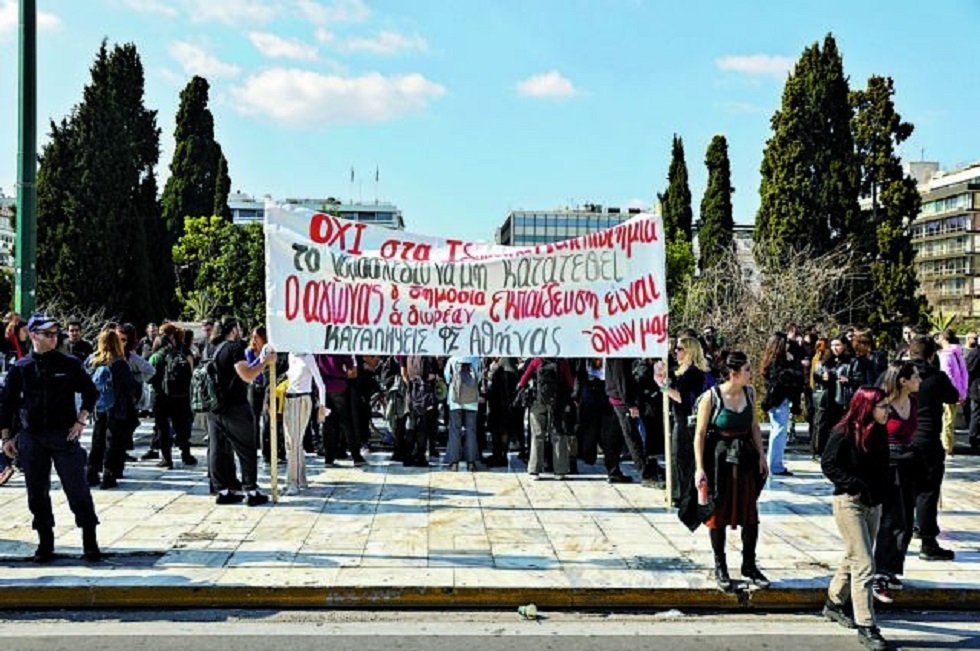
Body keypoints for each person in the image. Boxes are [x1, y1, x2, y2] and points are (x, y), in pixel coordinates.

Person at [0, 313, 102, 562]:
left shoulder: (69, 364)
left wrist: (81, 420)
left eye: (56, 333)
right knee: (37, 492)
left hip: (63, 435)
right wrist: (7, 439)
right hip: (32, 436)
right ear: (34, 336)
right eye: (47, 333)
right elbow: (7, 405)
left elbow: (90, 392)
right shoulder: (22, 368)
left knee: (77, 489)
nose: (53, 337)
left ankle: (90, 540)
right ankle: (45, 542)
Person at [687, 351, 769, 591]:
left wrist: (762, 455)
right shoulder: (711, 397)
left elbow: (754, 426)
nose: (751, 374)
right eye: (747, 370)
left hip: (744, 458)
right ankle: (720, 565)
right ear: (733, 374)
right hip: (719, 459)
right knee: (718, 515)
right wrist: (700, 468)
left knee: (750, 514)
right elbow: (699, 435)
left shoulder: (749, 393)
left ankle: (749, 564)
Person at [820, 386, 892, 651]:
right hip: (849, 503)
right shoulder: (844, 431)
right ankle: (867, 625)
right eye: (882, 406)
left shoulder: (880, 431)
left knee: (854, 557)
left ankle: (834, 602)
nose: (888, 411)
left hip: (875, 504)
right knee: (864, 563)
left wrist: (885, 494)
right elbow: (828, 464)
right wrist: (853, 485)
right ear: (867, 406)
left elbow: (883, 466)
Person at [208, 318, 275, 506]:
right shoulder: (234, 348)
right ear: (234, 330)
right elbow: (247, 374)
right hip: (235, 407)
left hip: (215, 407)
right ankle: (251, 491)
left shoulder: (211, 347)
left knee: (218, 449)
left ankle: (223, 490)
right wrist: (264, 361)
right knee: (246, 449)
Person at [872, 361, 920, 603]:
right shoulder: (884, 404)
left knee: (906, 520)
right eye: (915, 377)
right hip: (887, 464)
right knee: (890, 520)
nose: (919, 381)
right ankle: (879, 572)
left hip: (908, 463)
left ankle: (892, 567)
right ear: (903, 381)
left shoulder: (912, 402)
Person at [908, 336, 959, 561]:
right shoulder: (937, 377)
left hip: (902, 437)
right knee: (928, 491)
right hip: (927, 438)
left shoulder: (898, 375)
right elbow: (954, 396)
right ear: (931, 356)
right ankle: (927, 542)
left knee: (903, 490)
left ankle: (899, 537)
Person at [85, 329, 142, 489]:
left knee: (97, 440)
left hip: (99, 407)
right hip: (117, 408)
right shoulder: (120, 363)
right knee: (113, 442)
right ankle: (109, 475)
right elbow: (131, 387)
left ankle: (91, 472)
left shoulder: (93, 361)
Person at [666, 336, 710, 497]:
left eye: (679, 349)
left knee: (682, 457)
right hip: (680, 417)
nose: (675, 352)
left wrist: (664, 387)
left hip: (685, 419)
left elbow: (683, 398)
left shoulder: (693, 373)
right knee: (677, 456)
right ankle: (678, 491)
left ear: (688, 351)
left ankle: (683, 493)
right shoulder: (683, 371)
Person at [150, 323, 197, 469]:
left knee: (163, 428)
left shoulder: (156, 357)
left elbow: (149, 377)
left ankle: (167, 459)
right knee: (182, 426)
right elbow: (191, 374)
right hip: (180, 396)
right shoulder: (183, 353)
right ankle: (186, 455)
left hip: (160, 397)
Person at [519, 356, 574, 479]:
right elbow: (570, 383)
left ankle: (534, 470)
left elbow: (523, 380)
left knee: (537, 434)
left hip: (538, 402)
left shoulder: (537, 360)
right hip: (557, 402)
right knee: (558, 434)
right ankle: (560, 471)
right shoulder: (562, 362)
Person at [760, 332, 804, 477]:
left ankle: (775, 463)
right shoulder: (777, 362)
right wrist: (792, 366)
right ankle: (775, 465)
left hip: (778, 400)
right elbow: (781, 378)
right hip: (778, 400)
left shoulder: (773, 359)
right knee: (779, 431)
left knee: (778, 431)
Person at [282, 352, 327, 495]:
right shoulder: (290, 354)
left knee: (295, 441)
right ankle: (300, 478)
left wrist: (322, 406)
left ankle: (293, 482)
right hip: (288, 399)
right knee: (291, 442)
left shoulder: (308, 357)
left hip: (302, 400)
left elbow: (321, 384)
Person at [443, 356, 484, 471]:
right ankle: (471, 462)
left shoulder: (452, 359)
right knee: (471, 430)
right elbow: (479, 378)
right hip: (472, 400)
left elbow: (447, 378)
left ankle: (454, 462)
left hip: (455, 400)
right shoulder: (476, 359)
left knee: (455, 430)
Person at [936, 329, 967, 456]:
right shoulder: (958, 353)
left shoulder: (946, 355)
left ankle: (946, 446)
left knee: (946, 420)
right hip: (958, 391)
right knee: (950, 420)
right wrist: (962, 393)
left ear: (944, 339)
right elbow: (964, 374)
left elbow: (947, 375)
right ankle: (949, 445)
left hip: (948, 392)